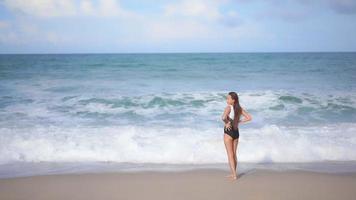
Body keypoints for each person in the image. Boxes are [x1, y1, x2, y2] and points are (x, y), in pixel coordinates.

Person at [221, 91, 252, 181]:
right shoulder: (239, 108)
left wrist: (227, 123)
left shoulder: (228, 107)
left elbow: (223, 117)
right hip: (236, 131)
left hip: (228, 132)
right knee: (234, 154)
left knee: (230, 155)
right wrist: (238, 122)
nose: (227, 100)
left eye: (228, 98)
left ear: (233, 100)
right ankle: (233, 173)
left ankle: (234, 175)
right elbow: (249, 118)